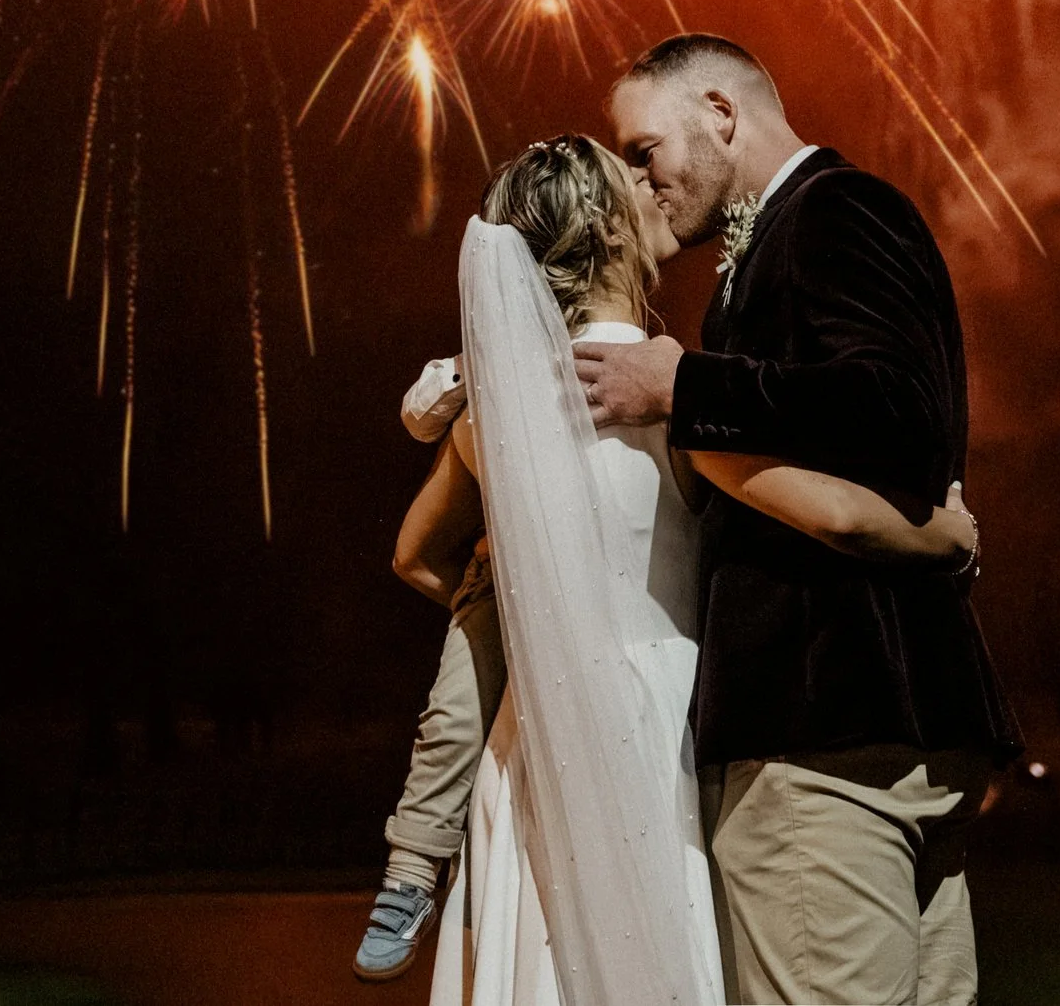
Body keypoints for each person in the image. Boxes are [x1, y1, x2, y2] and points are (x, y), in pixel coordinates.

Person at [358, 135, 980, 997]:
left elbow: (412, 555)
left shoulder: (490, 416)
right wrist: (951, 537)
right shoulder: (663, 396)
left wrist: (533, 620)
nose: (657, 189)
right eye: (635, 184)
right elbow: (834, 515)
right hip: (653, 726)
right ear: (611, 236)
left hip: (534, 740)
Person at [577, 34, 1025, 1006]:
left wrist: (689, 382)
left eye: (645, 148)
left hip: (822, 724)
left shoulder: (835, 211)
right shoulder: (797, 233)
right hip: (892, 721)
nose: (638, 180)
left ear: (720, 113)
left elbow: (895, 408)